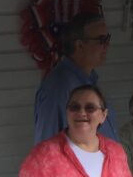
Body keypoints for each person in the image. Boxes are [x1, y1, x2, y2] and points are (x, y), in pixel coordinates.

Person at [33, 13, 119, 144]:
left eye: (107, 38)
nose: (107, 45)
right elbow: (47, 147)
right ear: (80, 46)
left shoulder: (89, 79)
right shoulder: (59, 87)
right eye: (101, 40)